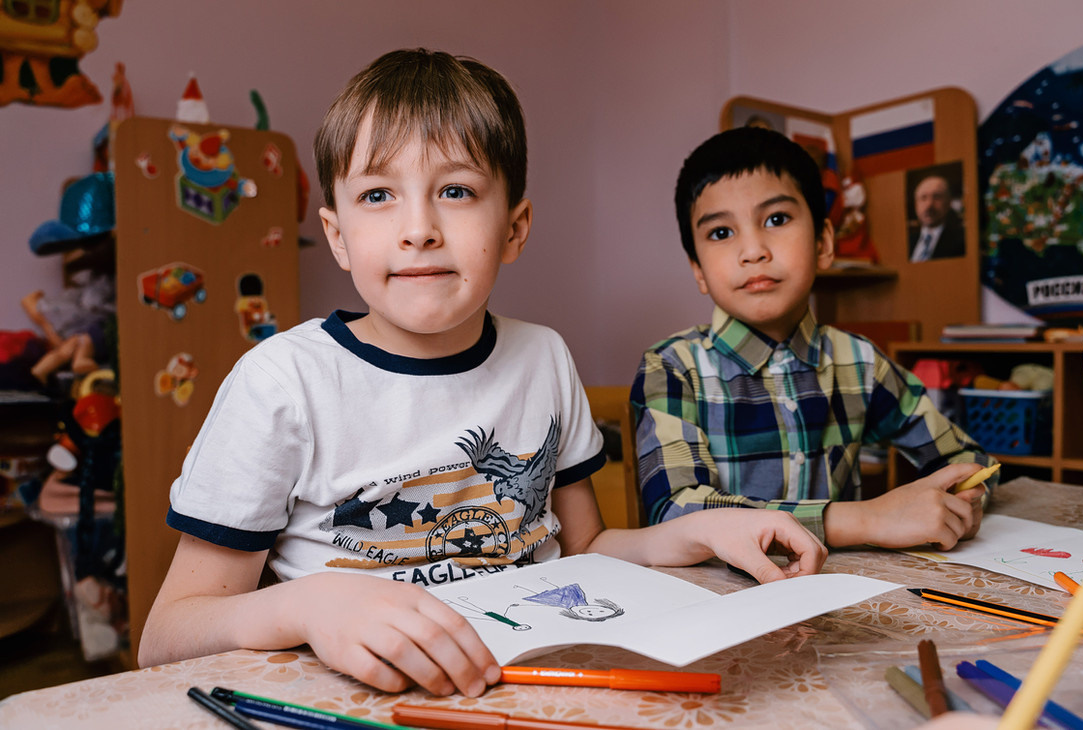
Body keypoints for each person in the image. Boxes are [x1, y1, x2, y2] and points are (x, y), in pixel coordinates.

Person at [139, 50, 827, 699]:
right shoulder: (282, 382)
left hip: (537, 691)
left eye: (457, 190)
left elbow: (587, 550)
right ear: (339, 234)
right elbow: (166, 637)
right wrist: (308, 604)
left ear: (516, 227)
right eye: (378, 195)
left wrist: (708, 529)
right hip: (361, 704)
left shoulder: (544, 358)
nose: (419, 229)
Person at [631, 126, 997, 552]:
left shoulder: (859, 362)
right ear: (698, 269)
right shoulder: (673, 367)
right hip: (720, 605)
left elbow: (968, 460)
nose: (753, 250)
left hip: (841, 595)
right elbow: (677, 512)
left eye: (777, 219)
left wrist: (961, 499)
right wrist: (868, 518)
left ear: (824, 242)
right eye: (721, 232)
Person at [908, 174, 965, 262]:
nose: (929, 205)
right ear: (916, 205)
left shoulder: (962, 242)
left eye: (936, 197)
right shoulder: (908, 242)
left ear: (948, 202)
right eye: (923, 198)